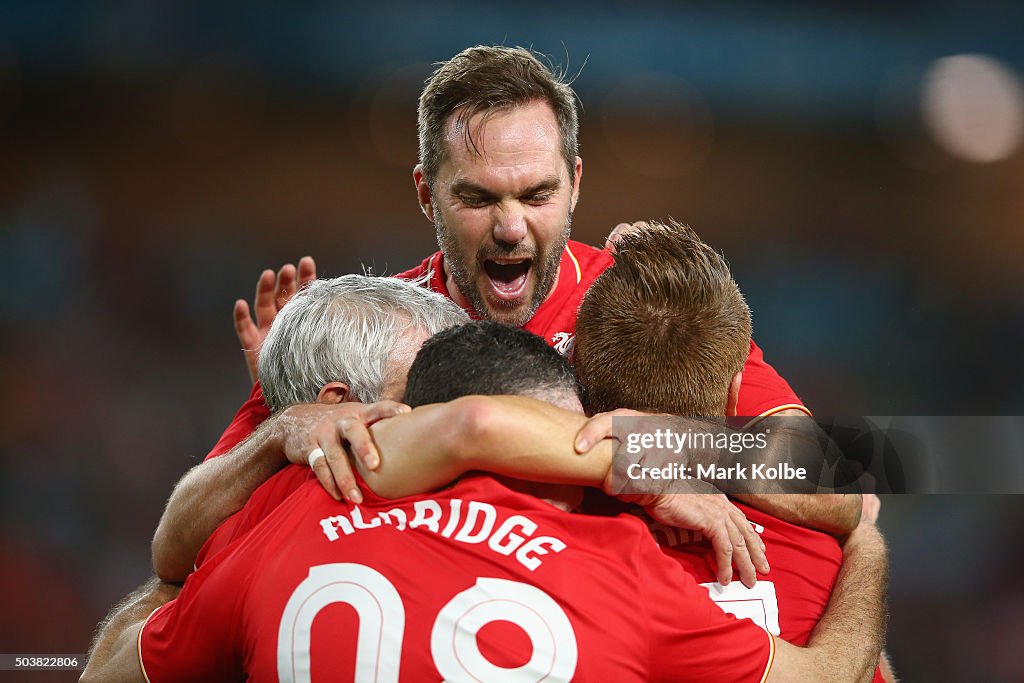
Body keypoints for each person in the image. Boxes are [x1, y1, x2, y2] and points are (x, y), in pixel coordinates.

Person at [82, 321, 887, 682]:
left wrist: (271, 426)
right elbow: (849, 499)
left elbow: (139, 616)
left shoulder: (304, 507)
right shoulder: (624, 565)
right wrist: (650, 450)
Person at [213, 44, 808, 480]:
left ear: (575, 185)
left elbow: (844, 468)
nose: (511, 227)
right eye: (477, 198)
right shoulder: (375, 332)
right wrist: (286, 416)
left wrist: (657, 445)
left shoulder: (641, 303)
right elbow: (182, 534)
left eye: (537, 195)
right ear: (426, 194)